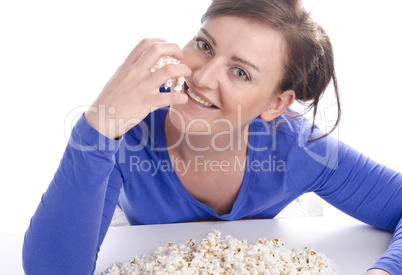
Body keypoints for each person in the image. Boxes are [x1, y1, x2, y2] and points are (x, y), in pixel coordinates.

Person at [22, 0, 401, 274]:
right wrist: (98, 124)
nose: (201, 78)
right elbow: (52, 270)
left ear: (276, 104)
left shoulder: (297, 148)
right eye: (204, 46)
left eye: (240, 73)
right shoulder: (128, 137)